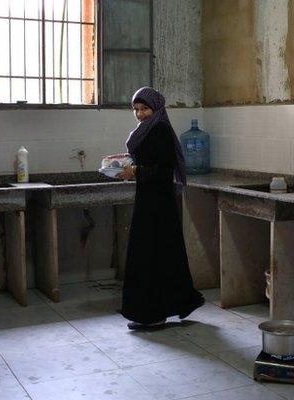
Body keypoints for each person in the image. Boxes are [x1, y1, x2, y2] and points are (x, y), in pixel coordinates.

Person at [117, 86, 205, 330]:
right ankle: (149, 311)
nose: (140, 114)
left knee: (153, 255)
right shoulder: (148, 129)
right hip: (148, 198)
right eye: (136, 109)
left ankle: (154, 313)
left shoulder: (161, 129)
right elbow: (148, 162)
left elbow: (163, 170)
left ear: (156, 108)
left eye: (145, 108)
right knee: (149, 254)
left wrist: (134, 170)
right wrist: (126, 165)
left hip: (159, 203)